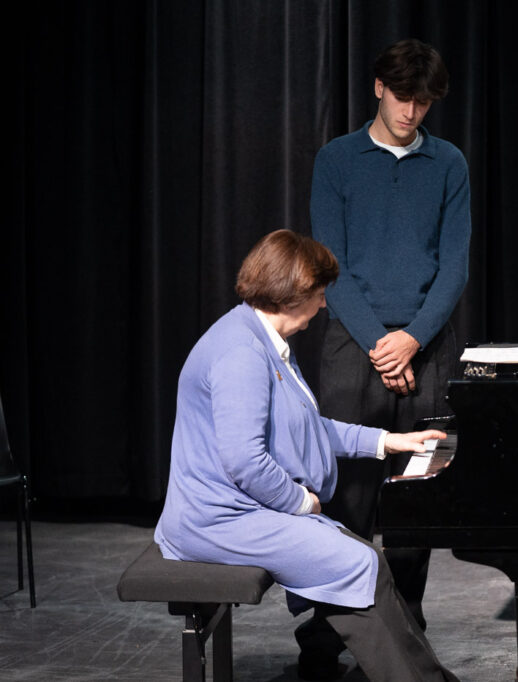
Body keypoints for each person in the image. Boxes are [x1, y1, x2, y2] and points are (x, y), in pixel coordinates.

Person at [154, 229, 459, 682]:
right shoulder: (241, 353)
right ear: (292, 293)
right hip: (216, 520)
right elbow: (245, 462)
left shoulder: (261, 339)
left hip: (243, 513)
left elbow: (305, 427)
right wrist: (301, 503)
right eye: (319, 294)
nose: (323, 304)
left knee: (364, 558)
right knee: (355, 562)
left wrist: (388, 441)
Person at [310, 37, 471, 635]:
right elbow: (330, 267)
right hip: (355, 345)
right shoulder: (338, 159)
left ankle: (406, 629)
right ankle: (333, 631)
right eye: (403, 97)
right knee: (347, 496)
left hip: (428, 347)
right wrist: (384, 345)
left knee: (416, 495)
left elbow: (454, 267)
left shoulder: (448, 163)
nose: (411, 111)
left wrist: (413, 340)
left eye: (423, 102)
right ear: (379, 88)